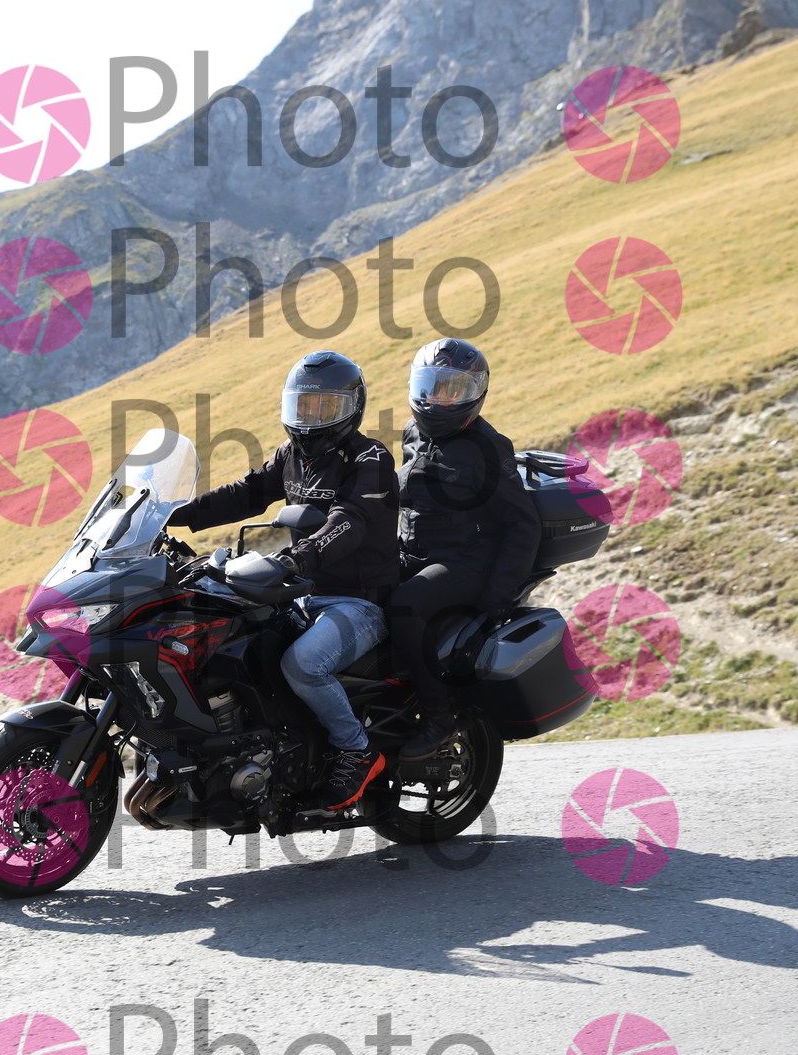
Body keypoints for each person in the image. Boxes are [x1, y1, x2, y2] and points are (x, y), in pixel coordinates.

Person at [166, 350, 399, 809]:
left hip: (359, 602)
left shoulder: (369, 458)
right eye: (302, 406)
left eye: (324, 407)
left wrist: (296, 559)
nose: (311, 418)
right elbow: (246, 493)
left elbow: (348, 522)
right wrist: (172, 514)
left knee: (303, 665)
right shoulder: (291, 455)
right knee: (234, 642)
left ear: (352, 408)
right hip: (302, 594)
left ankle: (357, 751)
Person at [390, 337, 542, 761]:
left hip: (463, 562)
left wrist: (498, 598)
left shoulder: (488, 447)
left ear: (475, 393)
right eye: (431, 386)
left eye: (452, 389)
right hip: (413, 554)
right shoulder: (412, 433)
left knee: (403, 605)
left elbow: (521, 524)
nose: (438, 399)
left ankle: (439, 715)